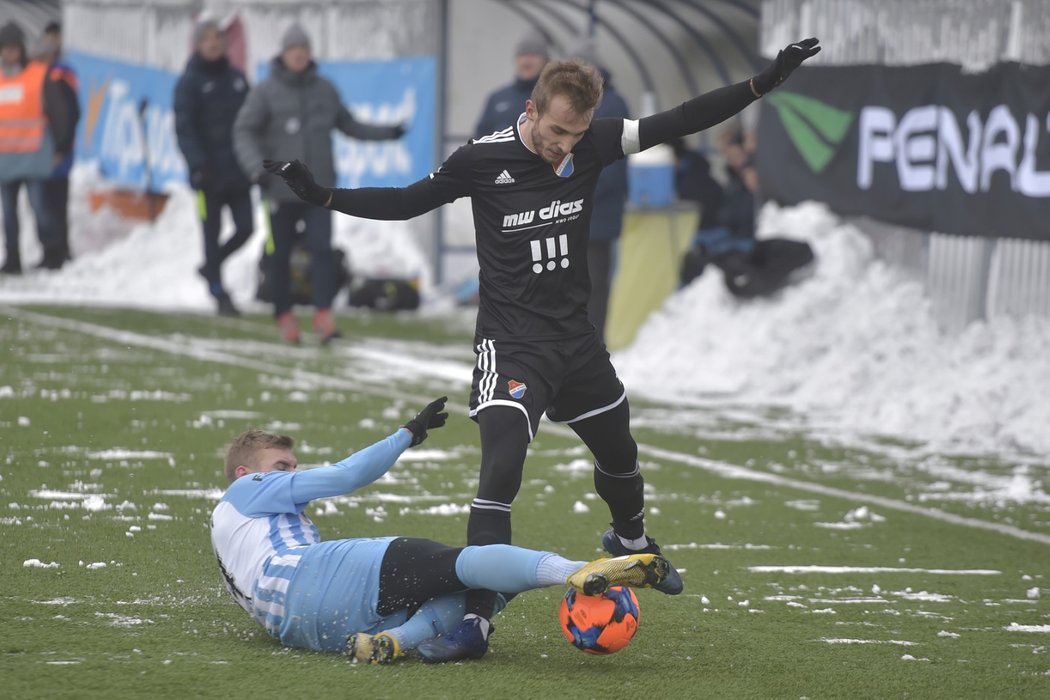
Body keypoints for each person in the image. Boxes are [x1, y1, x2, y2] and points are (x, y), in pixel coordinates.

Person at [265, 36, 822, 661]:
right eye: (558, 130)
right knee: (500, 470)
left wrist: (762, 82)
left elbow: (683, 118)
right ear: (532, 110)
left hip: (575, 342)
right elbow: (406, 201)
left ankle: (628, 538)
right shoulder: (483, 159)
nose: (566, 145)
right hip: (512, 346)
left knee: (621, 454)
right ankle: (474, 622)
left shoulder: (594, 144)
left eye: (577, 134)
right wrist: (323, 197)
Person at [210, 396, 672, 664]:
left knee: (476, 590)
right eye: (281, 467)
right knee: (466, 564)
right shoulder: (248, 490)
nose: (293, 473)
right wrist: (407, 433)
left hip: (301, 628)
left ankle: (395, 642)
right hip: (314, 577)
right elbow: (347, 475)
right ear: (245, 473)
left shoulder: (230, 530)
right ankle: (578, 569)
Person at [233, 24, 407, 343]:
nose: (298, 54)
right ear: (284, 54)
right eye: (292, 48)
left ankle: (324, 316)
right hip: (278, 190)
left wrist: (388, 133)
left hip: (319, 190)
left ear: (309, 53)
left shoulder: (324, 89)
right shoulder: (265, 91)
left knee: (322, 252)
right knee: (279, 254)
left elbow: (350, 125)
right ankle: (284, 315)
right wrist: (255, 170)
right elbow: (243, 131)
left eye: (303, 48)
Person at [174, 17, 253, 317]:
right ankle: (218, 291)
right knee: (211, 231)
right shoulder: (190, 82)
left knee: (246, 228)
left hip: (237, 169)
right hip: (207, 173)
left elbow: (252, 121)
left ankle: (211, 265)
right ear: (198, 44)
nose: (214, 43)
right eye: (207, 38)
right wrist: (197, 164)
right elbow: (185, 128)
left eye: (218, 37)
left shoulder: (236, 78)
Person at [569, 39, 629, 343]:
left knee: (594, 286)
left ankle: (593, 348)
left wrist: (578, 190)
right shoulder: (569, 102)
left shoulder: (613, 103)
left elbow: (616, 163)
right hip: (570, 213)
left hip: (598, 214)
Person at [0, 21, 67, 274]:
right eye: (5, 49)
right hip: (5, 159)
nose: (9, 54)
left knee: (40, 209)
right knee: (8, 214)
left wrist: (60, 147)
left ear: (22, 50)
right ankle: (12, 258)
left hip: (34, 155)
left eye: (13, 49)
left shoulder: (38, 74)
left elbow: (58, 112)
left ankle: (52, 253)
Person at [35, 21, 80, 268]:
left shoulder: (62, 74)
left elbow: (71, 113)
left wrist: (62, 147)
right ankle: (50, 251)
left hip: (58, 150)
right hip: (39, 149)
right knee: (43, 202)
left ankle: (60, 250)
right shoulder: (40, 74)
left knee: (56, 201)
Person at [473, 30, 549, 140]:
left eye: (533, 55)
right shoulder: (497, 99)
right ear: (516, 60)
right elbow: (479, 139)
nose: (527, 61)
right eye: (523, 55)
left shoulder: (552, 98)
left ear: (544, 60)